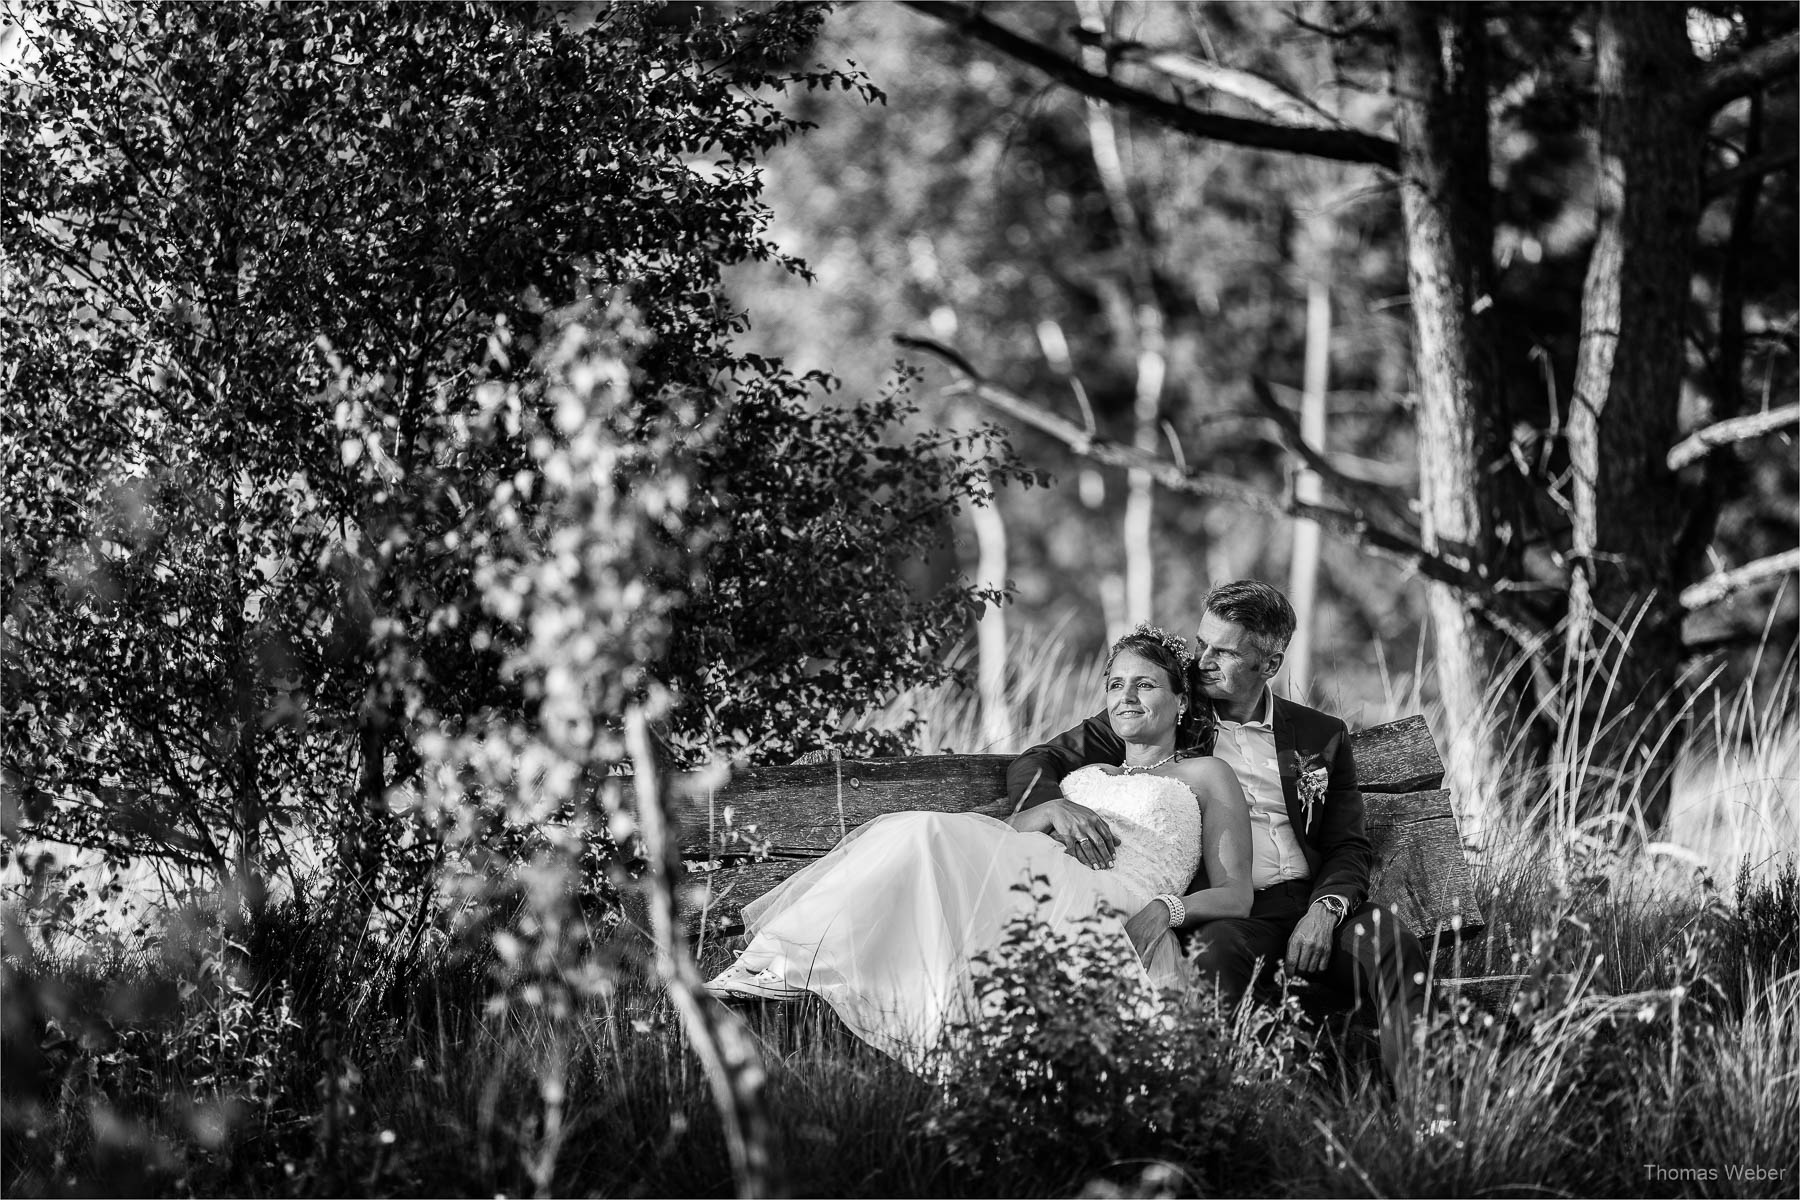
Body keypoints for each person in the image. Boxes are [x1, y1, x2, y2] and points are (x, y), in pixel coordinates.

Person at [706, 626, 1253, 1070]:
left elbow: (1235, 894)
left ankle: (792, 971)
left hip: (1116, 904)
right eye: (1115, 684)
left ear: (1181, 701)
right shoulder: (1088, 772)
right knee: (917, 832)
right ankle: (774, 969)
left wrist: (1164, 910)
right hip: (1036, 881)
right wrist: (1046, 810)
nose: (1126, 697)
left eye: (1146, 685)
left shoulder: (1206, 774)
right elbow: (1005, 835)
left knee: (925, 836)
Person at [1008, 580, 1427, 1078]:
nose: (1202, 658)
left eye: (1222, 651)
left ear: (1268, 665)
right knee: (1216, 959)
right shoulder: (1170, 705)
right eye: (1202, 641)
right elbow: (1040, 758)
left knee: (1391, 943)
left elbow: (1347, 844)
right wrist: (1055, 808)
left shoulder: (1320, 735)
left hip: (1314, 902)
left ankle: (1432, 1112)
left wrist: (1326, 909)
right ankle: (1268, 1110)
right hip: (1229, 910)